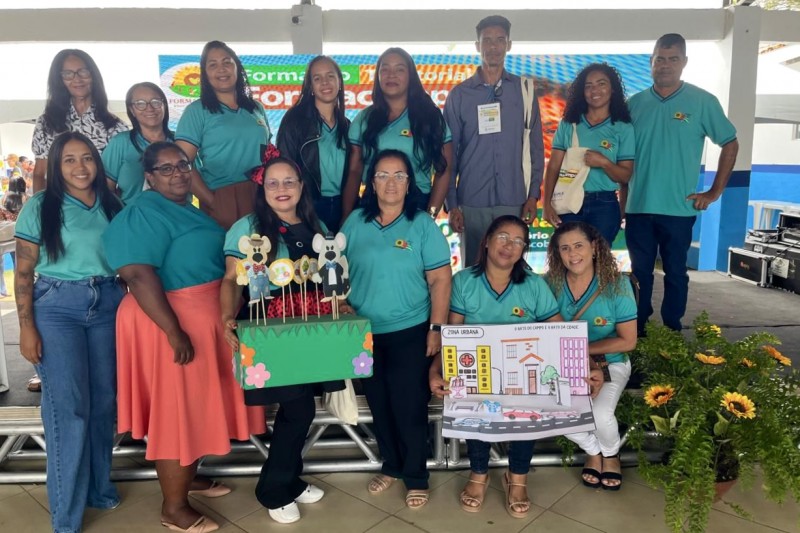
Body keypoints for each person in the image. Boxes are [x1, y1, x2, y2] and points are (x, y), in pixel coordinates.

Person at [102, 141, 265, 533]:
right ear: (149, 176)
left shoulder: (186, 209)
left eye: (183, 165)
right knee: (178, 412)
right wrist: (174, 332)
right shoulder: (142, 212)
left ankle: (189, 478)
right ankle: (174, 508)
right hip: (169, 322)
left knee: (194, 407)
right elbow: (138, 275)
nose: (177, 173)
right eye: (166, 168)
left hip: (199, 315)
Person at [220, 151, 341, 524]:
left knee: (302, 405)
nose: (281, 189)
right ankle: (273, 490)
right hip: (270, 327)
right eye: (273, 182)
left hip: (310, 326)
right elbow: (230, 279)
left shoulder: (314, 222)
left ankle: (290, 479)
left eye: (289, 181)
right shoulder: (247, 227)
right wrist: (226, 316)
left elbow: (327, 273)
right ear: (263, 188)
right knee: (298, 407)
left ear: (301, 187)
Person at [14, 131, 125, 532]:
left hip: (108, 302)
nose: (80, 167)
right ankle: (66, 515)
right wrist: (28, 328)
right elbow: (24, 271)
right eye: (69, 160)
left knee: (103, 404)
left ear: (97, 163)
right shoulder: (41, 206)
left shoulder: (113, 204)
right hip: (57, 307)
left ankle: (98, 487)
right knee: (69, 410)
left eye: (87, 159)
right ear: (57, 167)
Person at [428, 215, 562, 518]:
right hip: (479, 372)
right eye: (503, 236)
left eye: (518, 241)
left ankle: (518, 479)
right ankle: (479, 473)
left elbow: (558, 332)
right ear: (486, 240)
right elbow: (452, 336)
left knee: (529, 408)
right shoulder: (464, 282)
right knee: (474, 406)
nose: (509, 246)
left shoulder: (534, 285)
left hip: (523, 372)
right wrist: (435, 370)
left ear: (524, 249)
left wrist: (584, 367)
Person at [340, 149, 451, 509]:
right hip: (364, 333)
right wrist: (340, 302)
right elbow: (335, 271)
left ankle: (416, 475)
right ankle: (391, 465)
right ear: (371, 183)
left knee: (409, 405)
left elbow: (439, 280)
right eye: (383, 175)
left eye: (399, 175)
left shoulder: (422, 224)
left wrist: (436, 328)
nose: (391, 183)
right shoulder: (355, 222)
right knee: (379, 403)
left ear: (409, 183)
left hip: (410, 330)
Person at [626, 33, 738, 335]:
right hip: (638, 208)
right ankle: (638, 333)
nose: (665, 65)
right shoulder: (633, 105)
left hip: (678, 209)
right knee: (640, 275)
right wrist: (623, 201)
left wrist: (714, 192)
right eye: (659, 59)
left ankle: (672, 333)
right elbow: (624, 159)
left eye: (672, 58)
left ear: (684, 62)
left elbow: (730, 143)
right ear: (651, 62)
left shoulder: (702, 102)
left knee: (676, 273)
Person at [444, 15, 544, 266]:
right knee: (475, 267)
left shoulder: (524, 91)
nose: (493, 46)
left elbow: (534, 148)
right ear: (477, 45)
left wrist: (533, 195)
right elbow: (449, 154)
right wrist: (453, 204)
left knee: (512, 267)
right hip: (472, 200)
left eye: (500, 40)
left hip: (514, 198)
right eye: (486, 40)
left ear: (509, 45)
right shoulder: (460, 95)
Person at [544, 221, 637, 490]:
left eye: (578, 245)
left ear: (594, 247)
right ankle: (595, 451)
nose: (573, 254)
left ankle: (611, 456)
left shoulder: (617, 285)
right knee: (554, 414)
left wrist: (580, 349)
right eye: (564, 248)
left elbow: (627, 341)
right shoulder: (550, 284)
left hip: (611, 362)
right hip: (561, 364)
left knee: (600, 413)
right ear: (557, 253)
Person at [342, 48, 452, 220]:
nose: (391, 75)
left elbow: (444, 170)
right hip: (372, 207)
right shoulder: (364, 119)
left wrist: (430, 216)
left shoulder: (430, 117)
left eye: (399, 69)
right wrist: (347, 217)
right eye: (384, 69)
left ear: (411, 76)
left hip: (417, 207)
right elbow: (355, 171)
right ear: (377, 76)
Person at [176, 40, 272, 230]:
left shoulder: (256, 108)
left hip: (261, 195)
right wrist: (212, 201)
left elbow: (269, 152)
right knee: (229, 257)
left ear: (237, 67)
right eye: (213, 65)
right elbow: (182, 163)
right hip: (222, 196)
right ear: (205, 73)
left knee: (264, 255)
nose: (222, 69)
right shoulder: (197, 111)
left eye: (227, 62)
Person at [542, 63, 635, 246]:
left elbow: (625, 175)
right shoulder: (569, 124)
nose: (595, 90)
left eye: (602, 84)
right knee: (569, 259)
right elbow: (553, 166)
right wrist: (546, 204)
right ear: (582, 92)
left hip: (605, 205)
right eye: (588, 86)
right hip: (568, 203)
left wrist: (604, 163)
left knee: (599, 261)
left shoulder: (623, 128)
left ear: (613, 89)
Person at [32, 49, 127, 192]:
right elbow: (40, 174)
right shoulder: (46, 124)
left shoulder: (115, 127)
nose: (77, 79)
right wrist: (41, 210)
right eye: (68, 74)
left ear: (93, 75)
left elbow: (122, 180)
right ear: (59, 80)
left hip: (102, 208)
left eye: (83, 71)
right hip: (59, 207)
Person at [277, 55, 351, 232]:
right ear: (310, 86)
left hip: (343, 206)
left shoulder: (347, 126)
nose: (325, 82)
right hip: (308, 205)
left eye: (330, 76)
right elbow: (284, 167)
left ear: (339, 81)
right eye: (317, 78)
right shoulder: (294, 120)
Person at [102, 82, 173, 204]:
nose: (149, 108)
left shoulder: (181, 141)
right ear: (132, 110)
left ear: (164, 105)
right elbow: (105, 189)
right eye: (140, 104)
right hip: (133, 219)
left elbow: (195, 182)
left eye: (155, 102)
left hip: (177, 218)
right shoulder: (120, 143)